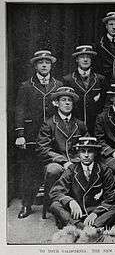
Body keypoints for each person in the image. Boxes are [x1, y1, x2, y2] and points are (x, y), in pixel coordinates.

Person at [14, 50, 63, 218]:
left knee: (54, 169)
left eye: (47, 62)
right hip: (32, 135)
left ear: (51, 65)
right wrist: (20, 133)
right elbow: (19, 110)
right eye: (41, 62)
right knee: (30, 170)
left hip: (53, 136)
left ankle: (53, 205)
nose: (44, 65)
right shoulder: (26, 86)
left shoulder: (58, 84)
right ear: (35, 65)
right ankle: (26, 205)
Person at [49, 137, 115, 229]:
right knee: (55, 205)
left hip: (97, 212)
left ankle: (91, 227)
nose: (86, 155)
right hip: (77, 213)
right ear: (78, 153)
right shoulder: (71, 170)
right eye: (83, 151)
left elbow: (111, 196)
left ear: (95, 153)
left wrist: (95, 213)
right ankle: (82, 227)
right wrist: (70, 201)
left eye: (90, 151)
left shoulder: (104, 170)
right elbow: (56, 192)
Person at [36, 87, 88, 218]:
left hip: (77, 160)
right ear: (56, 103)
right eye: (63, 100)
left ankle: (81, 205)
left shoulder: (80, 124)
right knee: (54, 170)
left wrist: (78, 160)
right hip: (56, 162)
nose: (67, 103)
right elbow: (43, 148)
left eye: (69, 100)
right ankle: (53, 204)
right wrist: (63, 161)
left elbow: (87, 145)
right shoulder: (48, 124)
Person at [63, 45, 107, 135]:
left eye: (88, 57)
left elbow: (105, 103)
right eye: (82, 57)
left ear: (91, 60)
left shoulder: (100, 79)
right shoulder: (68, 80)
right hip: (75, 125)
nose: (85, 60)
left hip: (96, 125)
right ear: (76, 59)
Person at [95, 11, 115, 78]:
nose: (114, 27)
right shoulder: (98, 44)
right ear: (106, 26)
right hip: (104, 80)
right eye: (111, 24)